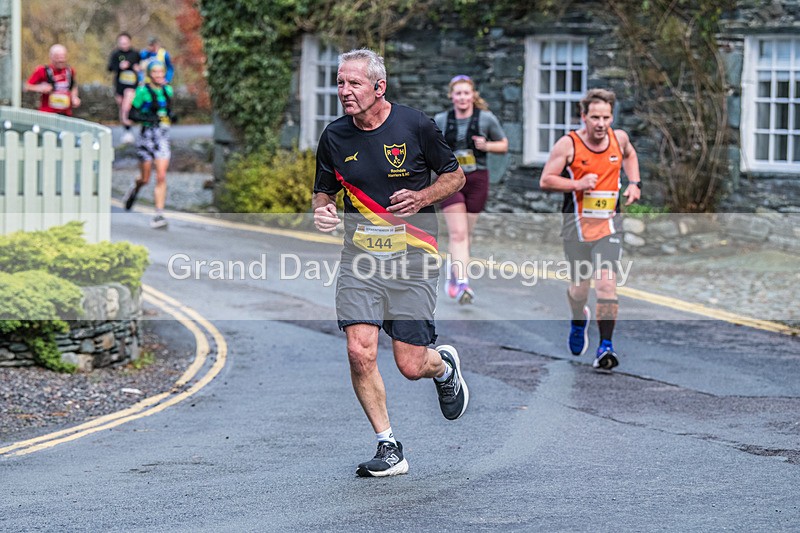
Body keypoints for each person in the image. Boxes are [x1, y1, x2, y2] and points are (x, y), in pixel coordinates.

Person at [313, 49, 469, 477]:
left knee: (410, 363)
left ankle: (443, 366)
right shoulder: (334, 137)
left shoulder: (415, 125)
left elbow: (455, 176)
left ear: (379, 87)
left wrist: (421, 198)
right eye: (340, 82)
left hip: (413, 257)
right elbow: (323, 190)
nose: (344, 91)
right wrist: (323, 209)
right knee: (359, 351)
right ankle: (389, 446)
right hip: (360, 262)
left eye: (354, 83)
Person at [539, 88, 641, 371]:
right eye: (595, 117)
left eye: (606, 117)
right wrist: (577, 185)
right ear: (583, 116)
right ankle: (577, 318)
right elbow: (546, 180)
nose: (601, 123)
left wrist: (634, 183)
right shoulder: (568, 144)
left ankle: (605, 346)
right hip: (576, 229)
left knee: (607, 283)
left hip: (609, 225)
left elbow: (630, 155)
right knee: (580, 289)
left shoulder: (618, 139)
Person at [434, 75, 508, 304]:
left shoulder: (486, 119)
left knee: (466, 233)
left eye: (467, 93)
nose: (463, 97)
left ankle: (453, 270)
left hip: (477, 179)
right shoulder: (441, 120)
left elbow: (504, 145)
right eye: (458, 93)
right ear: (452, 96)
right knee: (458, 233)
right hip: (451, 180)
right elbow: (428, 147)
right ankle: (463, 282)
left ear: (473, 95)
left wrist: (487, 145)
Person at [123, 61, 175, 229]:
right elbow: (131, 114)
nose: (159, 75)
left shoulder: (168, 90)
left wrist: (172, 116)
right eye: (155, 72)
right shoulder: (143, 91)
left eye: (162, 72)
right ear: (150, 74)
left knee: (161, 176)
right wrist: (146, 118)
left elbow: (168, 110)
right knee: (145, 178)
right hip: (146, 137)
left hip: (162, 137)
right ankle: (135, 188)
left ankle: (158, 214)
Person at [23, 44, 81, 116]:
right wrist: (40, 88)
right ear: (51, 57)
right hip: (48, 114)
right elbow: (27, 86)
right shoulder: (42, 70)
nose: (61, 60)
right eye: (58, 57)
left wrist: (74, 97)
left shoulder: (70, 71)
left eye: (63, 57)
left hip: (65, 114)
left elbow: (73, 86)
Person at [107, 32, 141, 144]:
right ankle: (127, 130)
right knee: (122, 107)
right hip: (120, 85)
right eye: (121, 43)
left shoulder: (135, 53)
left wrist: (136, 68)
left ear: (130, 42)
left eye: (125, 42)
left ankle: (128, 132)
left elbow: (141, 66)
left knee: (126, 106)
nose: (123, 45)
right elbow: (110, 68)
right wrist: (119, 67)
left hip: (132, 85)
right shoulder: (116, 54)